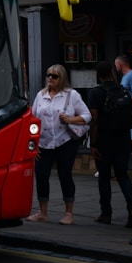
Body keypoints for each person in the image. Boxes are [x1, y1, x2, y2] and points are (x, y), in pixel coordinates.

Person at [29, 64, 90, 225]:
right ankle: (43, 212)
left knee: (65, 175)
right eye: (48, 75)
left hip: (65, 142)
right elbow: (32, 120)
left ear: (61, 78)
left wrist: (69, 119)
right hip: (44, 143)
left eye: (54, 76)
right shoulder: (40, 96)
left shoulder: (71, 95)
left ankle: (68, 213)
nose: (50, 78)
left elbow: (87, 116)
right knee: (41, 175)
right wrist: (33, 145)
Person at [88, 60, 132, 228]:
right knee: (123, 175)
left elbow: (94, 120)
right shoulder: (122, 90)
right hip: (123, 139)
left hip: (104, 140)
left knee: (104, 177)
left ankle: (106, 213)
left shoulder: (95, 93)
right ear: (111, 72)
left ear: (98, 74)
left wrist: (93, 143)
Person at [114, 54, 132, 165]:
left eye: (116, 64)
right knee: (131, 141)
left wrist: (129, 107)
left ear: (120, 64)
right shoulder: (125, 77)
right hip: (127, 114)